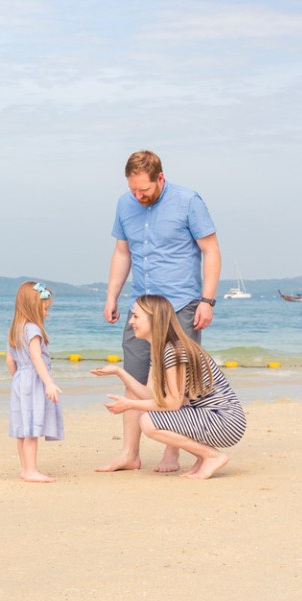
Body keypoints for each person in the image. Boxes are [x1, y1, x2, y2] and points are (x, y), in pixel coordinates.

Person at [98, 149, 221, 474]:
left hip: (182, 304)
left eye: (145, 191)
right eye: (133, 190)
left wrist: (207, 300)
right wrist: (112, 296)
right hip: (141, 306)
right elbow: (122, 252)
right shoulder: (125, 205)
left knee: (177, 382)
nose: (139, 196)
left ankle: (172, 453)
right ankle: (129, 453)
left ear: (160, 178)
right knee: (135, 374)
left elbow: (210, 249)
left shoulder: (188, 201)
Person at [92, 294, 245, 479]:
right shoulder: (163, 349)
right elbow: (150, 396)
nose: (131, 321)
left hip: (226, 421)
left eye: (136, 316)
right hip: (215, 418)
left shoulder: (173, 351)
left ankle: (212, 456)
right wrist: (120, 372)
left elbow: (172, 403)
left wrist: (129, 405)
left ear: (154, 319)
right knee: (148, 414)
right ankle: (204, 457)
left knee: (148, 421)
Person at [7, 280, 63, 483]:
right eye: (45, 309)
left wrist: (18, 379)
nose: (47, 313)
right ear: (33, 307)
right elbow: (36, 358)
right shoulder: (33, 330)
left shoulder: (16, 329)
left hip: (20, 380)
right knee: (31, 429)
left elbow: (9, 360)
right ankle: (31, 470)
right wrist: (48, 382)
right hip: (33, 380)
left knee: (23, 429)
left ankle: (25, 468)